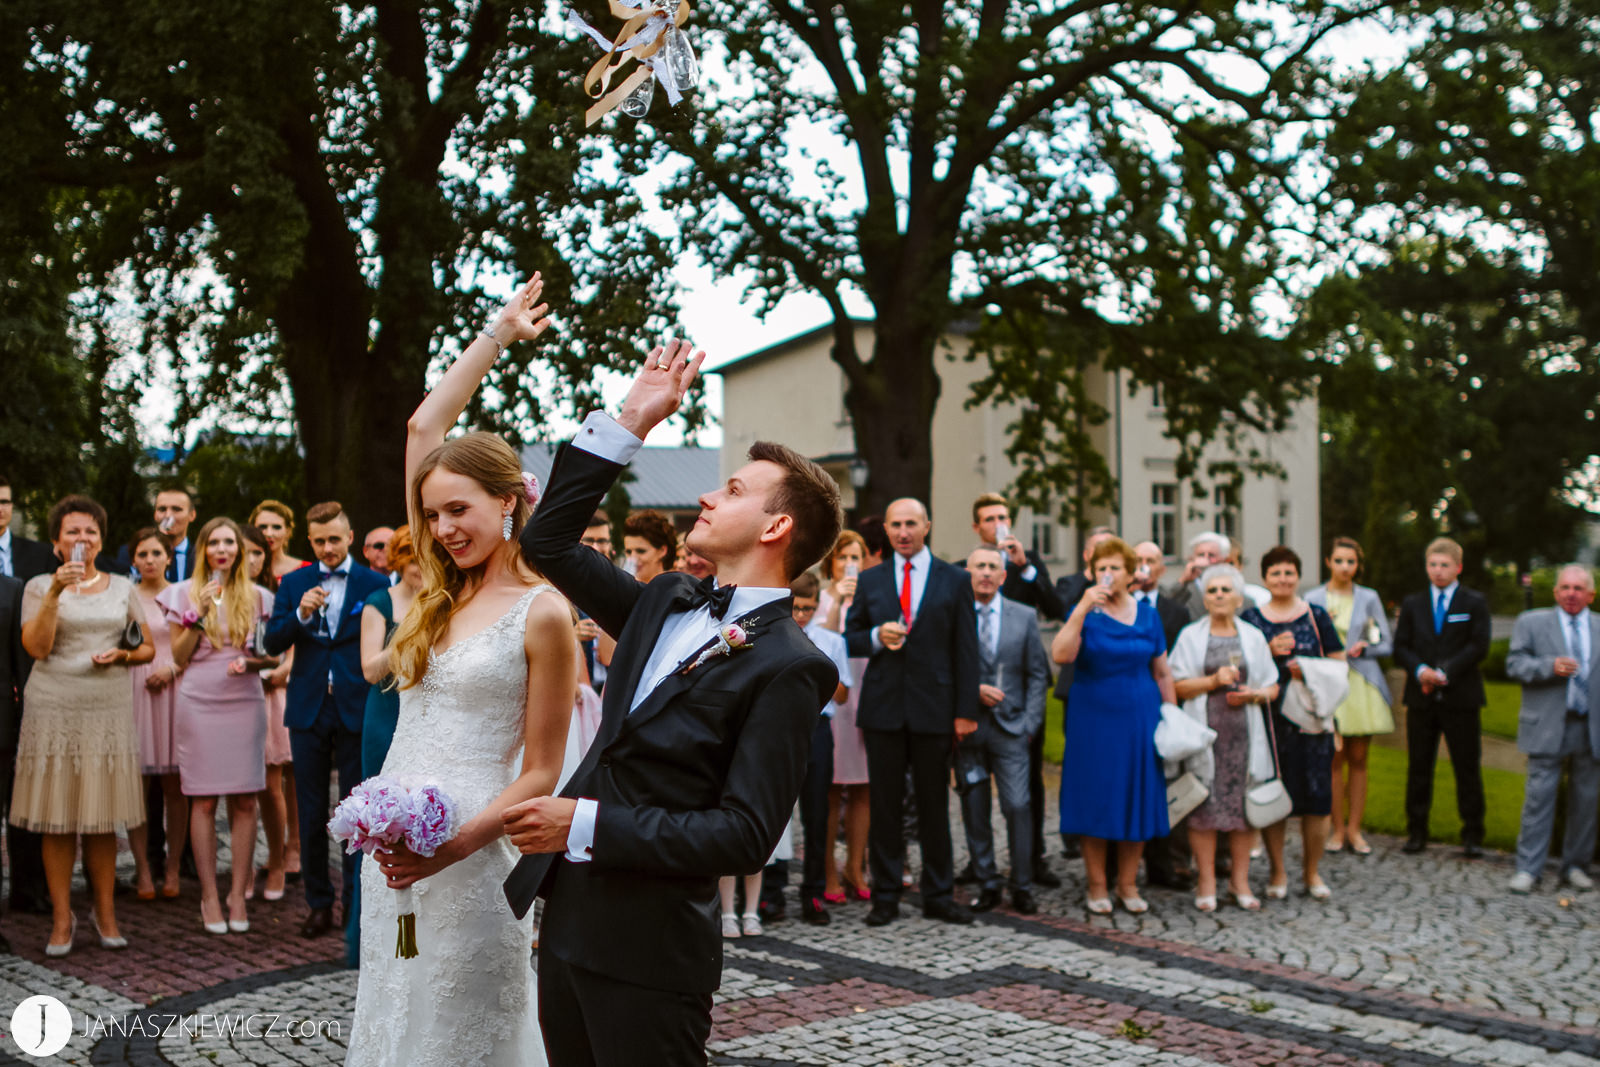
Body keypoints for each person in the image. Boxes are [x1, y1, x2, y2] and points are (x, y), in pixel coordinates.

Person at [501, 334, 841, 1067]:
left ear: (776, 526)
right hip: (567, 925)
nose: (709, 495)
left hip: (651, 955)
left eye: (736, 490)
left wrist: (584, 821)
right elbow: (548, 542)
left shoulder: (791, 665)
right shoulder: (665, 599)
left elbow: (743, 835)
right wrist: (631, 419)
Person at [350, 273, 578, 1067]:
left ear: (510, 499)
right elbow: (424, 423)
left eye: (460, 510)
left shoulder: (542, 610)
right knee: (397, 1020)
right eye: (433, 512)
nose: (443, 529)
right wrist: (498, 332)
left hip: (476, 855)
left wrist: (453, 845)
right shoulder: (440, 597)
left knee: (464, 1034)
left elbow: (543, 767)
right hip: (397, 852)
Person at [14, 494, 153, 954]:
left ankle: (105, 914)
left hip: (106, 708)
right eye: (72, 531)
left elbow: (147, 647)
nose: (82, 538)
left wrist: (123, 654)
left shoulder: (121, 587)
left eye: (90, 531)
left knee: (101, 819)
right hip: (53, 705)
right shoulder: (37, 586)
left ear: (100, 539)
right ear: (57, 541)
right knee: (56, 821)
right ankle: (61, 918)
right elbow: (36, 646)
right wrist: (56, 591)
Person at [845, 497, 979, 928]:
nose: (903, 532)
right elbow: (850, 639)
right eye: (896, 524)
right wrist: (875, 636)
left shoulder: (955, 579)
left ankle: (938, 894)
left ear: (927, 527)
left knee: (933, 805)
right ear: (885, 529)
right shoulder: (871, 580)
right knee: (884, 807)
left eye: (911, 524)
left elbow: (966, 649)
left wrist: (965, 711)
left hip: (934, 708)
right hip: (883, 708)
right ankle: (885, 895)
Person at [262, 501, 389, 937]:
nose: (328, 547)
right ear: (310, 542)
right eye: (319, 541)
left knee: (357, 809)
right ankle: (319, 903)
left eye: (335, 539)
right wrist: (300, 614)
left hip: (357, 704)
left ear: (350, 537)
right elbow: (272, 638)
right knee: (312, 808)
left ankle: (357, 903)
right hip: (308, 705)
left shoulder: (375, 582)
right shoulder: (294, 582)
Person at [160, 517, 277, 935]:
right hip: (198, 700)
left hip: (243, 699)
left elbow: (272, 656)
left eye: (229, 542)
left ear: (239, 551)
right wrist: (199, 613)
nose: (222, 549)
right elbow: (178, 654)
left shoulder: (261, 596)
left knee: (246, 800)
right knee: (204, 801)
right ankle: (209, 895)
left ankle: (236, 893)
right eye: (215, 542)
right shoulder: (181, 593)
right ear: (203, 550)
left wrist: (254, 660)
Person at [1053, 536, 1177, 914]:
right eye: (1100, 569)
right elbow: (1060, 654)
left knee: (1135, 796)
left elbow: (1162, 671)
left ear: (1130, 574)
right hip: (1094, 716)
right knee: (1097, 797)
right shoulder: (1085, 612)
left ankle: (1127, 884)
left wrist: (1172, 717)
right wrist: (1081, 610)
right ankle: (1097, 885)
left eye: (1114, 569)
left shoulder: (1148, 615)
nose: (1107, 575)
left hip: (1140, 714)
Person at [1169, 565, 1280, 910]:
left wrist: (1256, 694)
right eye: (1212, 590)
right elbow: (1177, 685)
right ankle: (1205, 882)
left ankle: (1240, 882)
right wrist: (1213, 682)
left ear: (1238, 597)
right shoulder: (1191, 635)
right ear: (1205, 598)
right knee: (1204, 807)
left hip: (1244, 735)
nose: (1218, 595)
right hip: (1206, 734)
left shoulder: (1253, 636)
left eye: (1225, 590)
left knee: (1243, 809)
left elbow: (1273, 685)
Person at [1240, 546, 1345, 900]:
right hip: (1270, 722)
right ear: (1265, 577)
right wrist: (1268, 651)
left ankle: (1312, 873)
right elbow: (1241, 668)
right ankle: (1277, 871)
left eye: (1289, 572)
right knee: (1275, 795)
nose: (1283, 579)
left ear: (1298, 576)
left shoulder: (1316, 616)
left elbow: (1339, 666)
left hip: (1312, 720)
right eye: (1276, 573)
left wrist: (1309, 669)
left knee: (1318, 798)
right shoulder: (1253, 619)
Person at [971, 493, 1063, 889]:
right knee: (973, 794)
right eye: (990, 518)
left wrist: (1024, 566)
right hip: (974, 708)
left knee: (1026, 793)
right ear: (978, 527)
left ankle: (1032, 861)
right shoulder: (969, 568)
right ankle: (982, 868)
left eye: (1003, 516)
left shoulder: (1028, 563)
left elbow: (1054, 606)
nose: (998, 524)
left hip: (1020, 698)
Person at [958, 545, 1050, 914]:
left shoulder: (1024, 616)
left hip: (1012, 728)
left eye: (992, 567)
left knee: (1018, 805)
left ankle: (1022, 884)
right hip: (968, 726)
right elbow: (945, 668)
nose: (984, 572)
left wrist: (1029, 724)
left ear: (1003, 575)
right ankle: (987, 881)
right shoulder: (956, 614)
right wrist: (969, 694)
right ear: (968, 573)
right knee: (974, 806)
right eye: (978, 565)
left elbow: (1038, 674)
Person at [1391, 536, 1492, 857]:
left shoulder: (1473, 603)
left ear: (1458, 567)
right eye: (1432, 565)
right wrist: (1421, 670)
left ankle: (1473, 833)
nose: (1438, 571)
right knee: (1419, 766)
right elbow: (1400, 647)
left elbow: (1479, 645)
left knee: (1467, 767)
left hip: (1460, 697)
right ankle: (1417, 831)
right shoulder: (1413, 604)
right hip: (1421, 697)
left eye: (1444, 565)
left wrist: (1446, 671)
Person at [1505, 565, 1600, 893]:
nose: (1571, 593)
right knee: (1538, 798)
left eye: (1578, 588)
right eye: (1565, 587)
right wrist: (1549, 666)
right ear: (1556, 592)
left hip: (1590, 727)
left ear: (1591, 594)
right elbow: (1513, 664)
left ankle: (1575, 866)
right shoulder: (1532, 623)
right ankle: (1528, 869)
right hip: (1546, 724)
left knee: (1586, 801)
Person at [1305, 537, 1394, 855]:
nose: (1345, 567)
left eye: (1351, 562)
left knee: (1358, 759)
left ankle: (1355, 830)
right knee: (1332, 759)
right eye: (1339, 560)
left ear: (1358, 565)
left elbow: (1385, 641)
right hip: (1329, 682)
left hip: (1360, 683)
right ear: (1328, 562)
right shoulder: (1313, 597)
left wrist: (1364, 647)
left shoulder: (1368, 598)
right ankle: (1336, 829)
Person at [0, 476, 56, 917]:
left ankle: (27, 889)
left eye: (4, 501)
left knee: (21, 808)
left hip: (11, 707)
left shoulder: (29, 564)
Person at [789, 569, 850, 925]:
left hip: (818, 727)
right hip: (779, 727)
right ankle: (768, 891)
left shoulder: (831, 641)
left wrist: (819, 666)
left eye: (809, 609)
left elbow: (842, 696)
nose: (802, 616)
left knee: (817, 814)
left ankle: (812, 892)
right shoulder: (773, 633)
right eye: (797, 608)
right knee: (773, 813)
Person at [1050, 524, 1114, 862]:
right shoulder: (1072, 584)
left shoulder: (1121, 585)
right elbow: (1059, 610)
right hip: (1078, 682)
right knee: (1076, 760)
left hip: (1113, 684)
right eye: (1098, 549)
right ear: (1088, 554)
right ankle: (1072, 833)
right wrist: (1093, 586)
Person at [241, 524, 297, 899]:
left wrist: (283, 668)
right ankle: (242, 869)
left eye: (257, 552)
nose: (251, 559)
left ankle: (277, 861)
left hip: (268, 691)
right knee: (238, 790)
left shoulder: (275, 594)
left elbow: (294, 640)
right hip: (232, 693)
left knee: (270, 784)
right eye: (245, 552)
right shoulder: (216, 597)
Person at [129, 528, 184, 900]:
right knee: (137, 787)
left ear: (168, 557)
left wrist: (172, 670)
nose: (149, 560)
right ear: (133, 560)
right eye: (142, 554)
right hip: (134, 687)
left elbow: (196, 646)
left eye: (156, 553)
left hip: (176, 686)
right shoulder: (124, 596)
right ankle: (143, 870)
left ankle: (174, 869)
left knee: (176, 786)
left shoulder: (181, 595)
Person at [816, 530, 871, 903]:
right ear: (830, 563)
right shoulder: (820, 599)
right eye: (843, 558)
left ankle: (856, 864)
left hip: (866, 692)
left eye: (856, 557)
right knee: (831, 789)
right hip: (836, 697)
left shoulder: (873, 595)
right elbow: (827, 641)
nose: (850, 564)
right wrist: (837, 598)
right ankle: (827, 871)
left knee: (864, 786)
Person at [359, 526, 421, 778]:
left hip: (430, 712)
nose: (423, 568)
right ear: (400, 561)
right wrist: (410, 631)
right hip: (387, 710)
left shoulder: (447, 600)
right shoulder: (379, 602)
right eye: (415, 561)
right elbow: (371, 672)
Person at [1165, 531, 1231, 621]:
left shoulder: (1232, 586)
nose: (1205, 559)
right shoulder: (1184, 588)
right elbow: (1165, 604)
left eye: (1211, 555)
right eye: (1201, 555)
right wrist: (1184, 579)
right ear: (1192, 559)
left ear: (1223, 560)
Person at [251, 499, 310, 583]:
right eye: (262, 527)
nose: (269, 533)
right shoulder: (241, 571)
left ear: (288, 531)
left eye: (276, 527)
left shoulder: (307, 570)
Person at [622, 509, 677, 581]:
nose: (633, 558)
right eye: (628, 552)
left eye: (641, 551)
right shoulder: (623, 589)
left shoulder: (675, 589)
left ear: (662, 551)